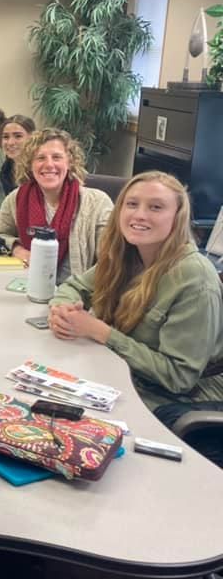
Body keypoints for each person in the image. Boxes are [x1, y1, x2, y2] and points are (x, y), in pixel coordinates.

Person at [49, 172, 222, 461]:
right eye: (132, 204)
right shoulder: (127, 254)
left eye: (156, 207)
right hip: (123, 376)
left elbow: (179, 376)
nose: (140, 215)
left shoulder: (193, 278)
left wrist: (101, 332)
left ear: (177, 217)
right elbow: (74, 287)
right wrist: (64, 309)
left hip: (181, 399)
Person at [0, 128, 112, 280]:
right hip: (27, 286)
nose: (49, 165)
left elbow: (111, 262)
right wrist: (17, 249)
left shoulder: (97, 203)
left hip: (76, 297)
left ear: (70, 163)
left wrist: (73, 294)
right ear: (29, 165)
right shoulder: (17, 199)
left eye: (57, 157)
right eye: (40, 158)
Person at [0, 114, 36, 195]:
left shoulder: (39, 168)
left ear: (32, 138)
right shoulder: (6, 170)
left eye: (18, 136)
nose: (10, 142)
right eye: (6, 137)